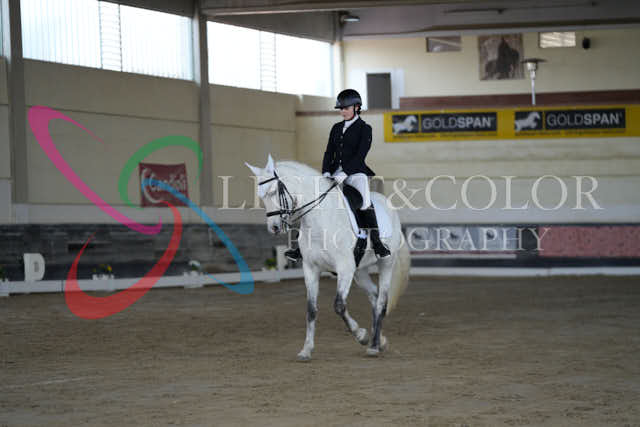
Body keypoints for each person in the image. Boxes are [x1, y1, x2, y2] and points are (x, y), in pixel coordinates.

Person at [285, 89, 391, 266]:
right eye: (340, 109)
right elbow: (329, 152)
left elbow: (360, 155)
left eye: (346, 108)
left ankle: (377, 242)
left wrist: (345, 173)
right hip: (334, 173)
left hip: (356, 173)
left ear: (356, 107)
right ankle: (299, 247)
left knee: (365, 202)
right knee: (315, 201)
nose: (342, 112)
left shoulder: (365, 129)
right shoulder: (336, 128)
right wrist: (326, 171)